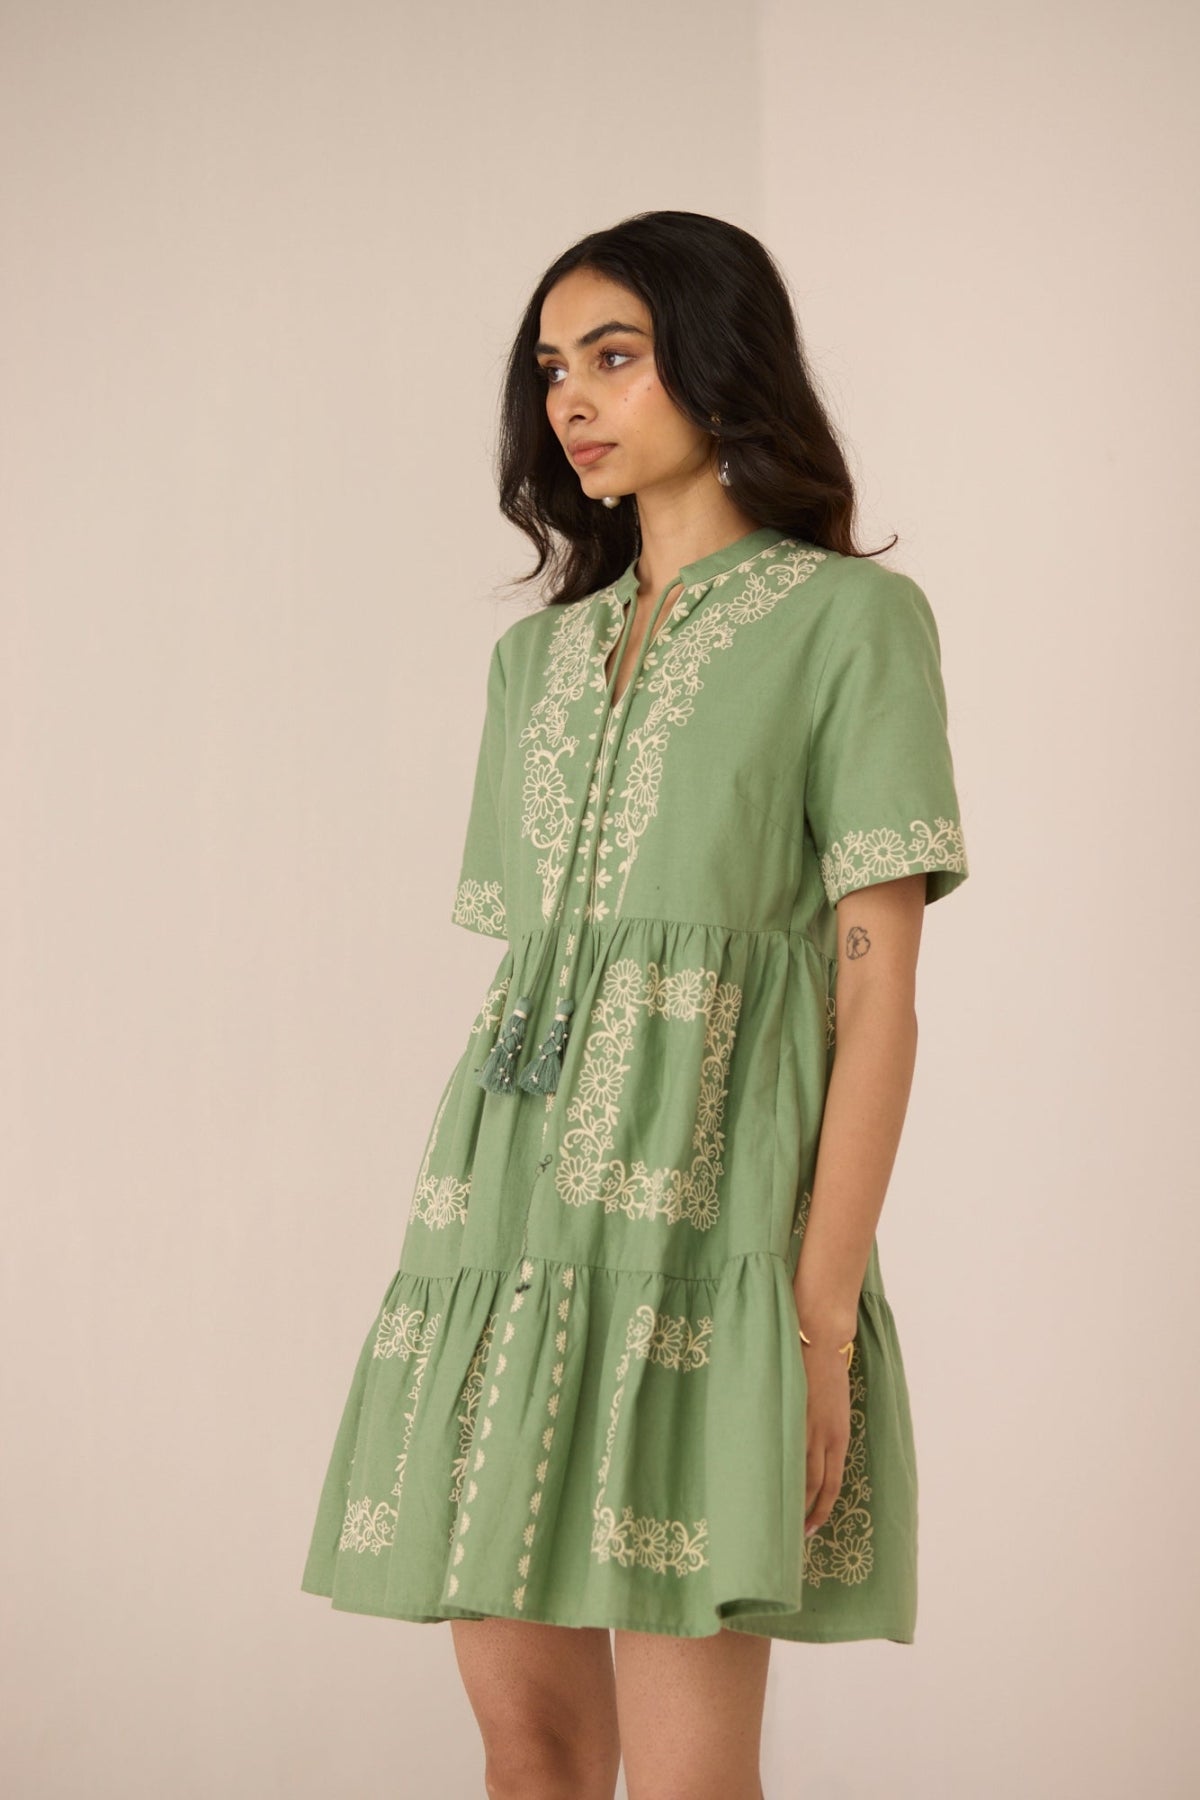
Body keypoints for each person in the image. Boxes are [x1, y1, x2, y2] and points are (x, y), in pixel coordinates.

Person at [300, 209, 970, 1800]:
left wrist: (813, 1316)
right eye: (552, 369)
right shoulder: (537, 666)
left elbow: (879, 1000)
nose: (573, 400)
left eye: (615, 355)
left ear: (721, 366)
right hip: (503, 1226)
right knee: (524, 1747)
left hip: (703, 1234)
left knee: (684, 1776)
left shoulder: (849, 624)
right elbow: (540, 972)